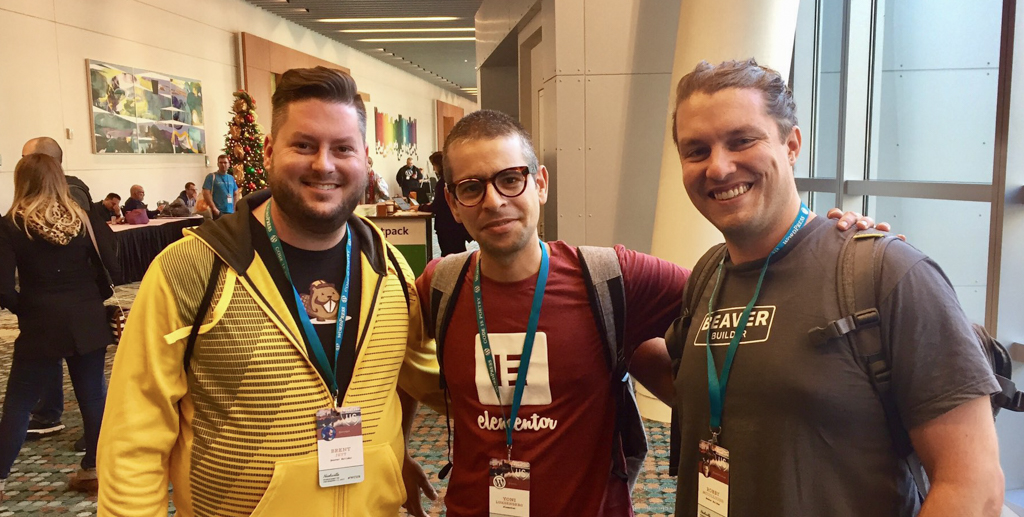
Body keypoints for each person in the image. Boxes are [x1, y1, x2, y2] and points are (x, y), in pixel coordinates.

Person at [98, 66, 444, 516]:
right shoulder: (191, 269)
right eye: (304, 145)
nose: (324, 164)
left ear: (364, 159)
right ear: (268, 151)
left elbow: (437, 381)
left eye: (342, 148)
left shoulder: (389, 268)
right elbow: (132, 437)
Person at [667, 59, 1003, 516]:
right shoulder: (708, 276)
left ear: (791, 145)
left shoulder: (887, 274)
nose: (719, 167)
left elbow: (974, 486)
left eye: (742, 141)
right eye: (697, 150)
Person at [0, 154, 119, 501]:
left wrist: (28, 308)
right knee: (93, 397)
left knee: (19, 403)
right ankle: (95, 469)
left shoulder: (11, 225)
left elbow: (3, 289)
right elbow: (111, 265)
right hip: (87, 319)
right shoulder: (83, 219)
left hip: (41, 323)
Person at [19, 137, 99, 452]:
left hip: (75, 304)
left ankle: (95, 440)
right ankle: (51, 415)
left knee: (89, 383)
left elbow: (91, 252)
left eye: (25, 157)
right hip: (65, 306)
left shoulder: (71, 195)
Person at [415, 151, 471, 256]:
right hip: (456, 225)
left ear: (439, 165)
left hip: (447, 226)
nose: (433, 169)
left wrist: (420, 207)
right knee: (459, 252)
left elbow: (437, 207)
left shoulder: (442, 183)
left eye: (434, 165)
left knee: (449, 254)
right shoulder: (453, 179)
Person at [202, 154, 240, 218]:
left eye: (225, 163)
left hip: (230, 213)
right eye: (221, 163)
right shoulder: (211, 177)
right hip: (218, 212)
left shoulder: (231, 178)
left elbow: (236, 194)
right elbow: (206, 193)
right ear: (218, 164)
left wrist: (234, 208)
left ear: (229, 164)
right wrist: (214, 209)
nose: (223, 165)